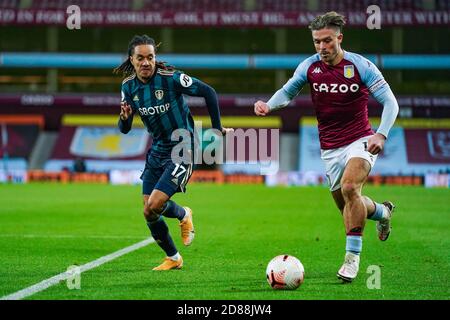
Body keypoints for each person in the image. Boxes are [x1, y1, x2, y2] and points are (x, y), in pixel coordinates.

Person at [254, 12, 399, 282]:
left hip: (361, 139)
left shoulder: (361, 66)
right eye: (317, 42)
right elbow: (287, 92)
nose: (322, 47)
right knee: (348, 205)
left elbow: (391, 102)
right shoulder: (309, 67)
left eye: (327, 41)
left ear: (339, 38)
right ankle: (383, 211)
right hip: (329, 147)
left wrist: (382, 134)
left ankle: (352, 260)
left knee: (350, 188)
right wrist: (268, 104)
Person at [114, 35, 233, 271]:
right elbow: (124, 129)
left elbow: (209, 92)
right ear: (132, 59)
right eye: (141, 58)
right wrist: (124, 119)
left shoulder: (171, 78)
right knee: (148, 210)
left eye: (150, 57)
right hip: (158, 149)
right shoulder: (128, 87)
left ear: (155, 59)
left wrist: (217, 127)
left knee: (156, 204)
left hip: (183, 146)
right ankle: (174, 257)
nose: (146, 62)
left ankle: (182, 214)